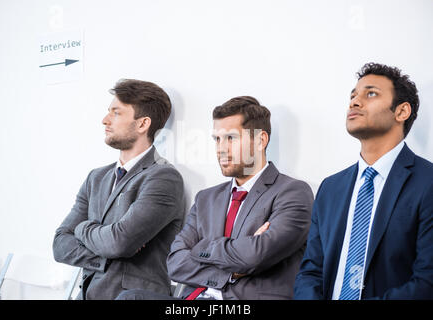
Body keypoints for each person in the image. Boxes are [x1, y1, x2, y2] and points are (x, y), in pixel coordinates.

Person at [117, 96, 314, 300]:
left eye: (231, 138)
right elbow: (175, 263)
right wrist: (231, 270)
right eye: (217, 139)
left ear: (260, 140)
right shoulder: (206, 198)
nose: (221, 148)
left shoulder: (293, 192)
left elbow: (255, 255)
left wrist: (201, 247)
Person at [294, 63, 433, 299]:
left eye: (370, 94)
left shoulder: (427, 182)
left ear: (401, 112)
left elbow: (427, 282)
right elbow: (310, 272)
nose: (354, 102)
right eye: (353, 96)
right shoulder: (330, 188)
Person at [53, 79, 185, 300]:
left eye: (116, 113)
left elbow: (119, 243)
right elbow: (60, 245)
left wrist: (82, 228)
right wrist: (106, 253)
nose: (105, 120)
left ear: (143, 124)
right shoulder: (96, 178)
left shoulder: (163, 177)